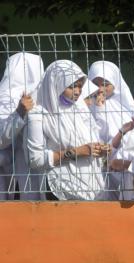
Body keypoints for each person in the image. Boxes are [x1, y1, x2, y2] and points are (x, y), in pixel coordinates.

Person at [26, 60, 110, 200]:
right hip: (62, 189)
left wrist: (99, 149)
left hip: (91, 188)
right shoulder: (39, 115)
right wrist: (77, 152)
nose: (78, 92)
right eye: (71, 87)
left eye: (80, 86)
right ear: (56, 84)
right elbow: (35, 159)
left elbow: (90, 142)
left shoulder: (80, 108)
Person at [0, 52, 44, 200]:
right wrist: (19, 113)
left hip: (34, 164)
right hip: (9, 166)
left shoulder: (46, 95)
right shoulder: (4, 97)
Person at [87, 61, 134, 145]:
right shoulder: (86, 105)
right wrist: (99, 109)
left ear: (115, 83)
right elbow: (99, 135)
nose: (100, 89)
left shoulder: (124, 103)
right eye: (95, 84)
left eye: (105, 84)